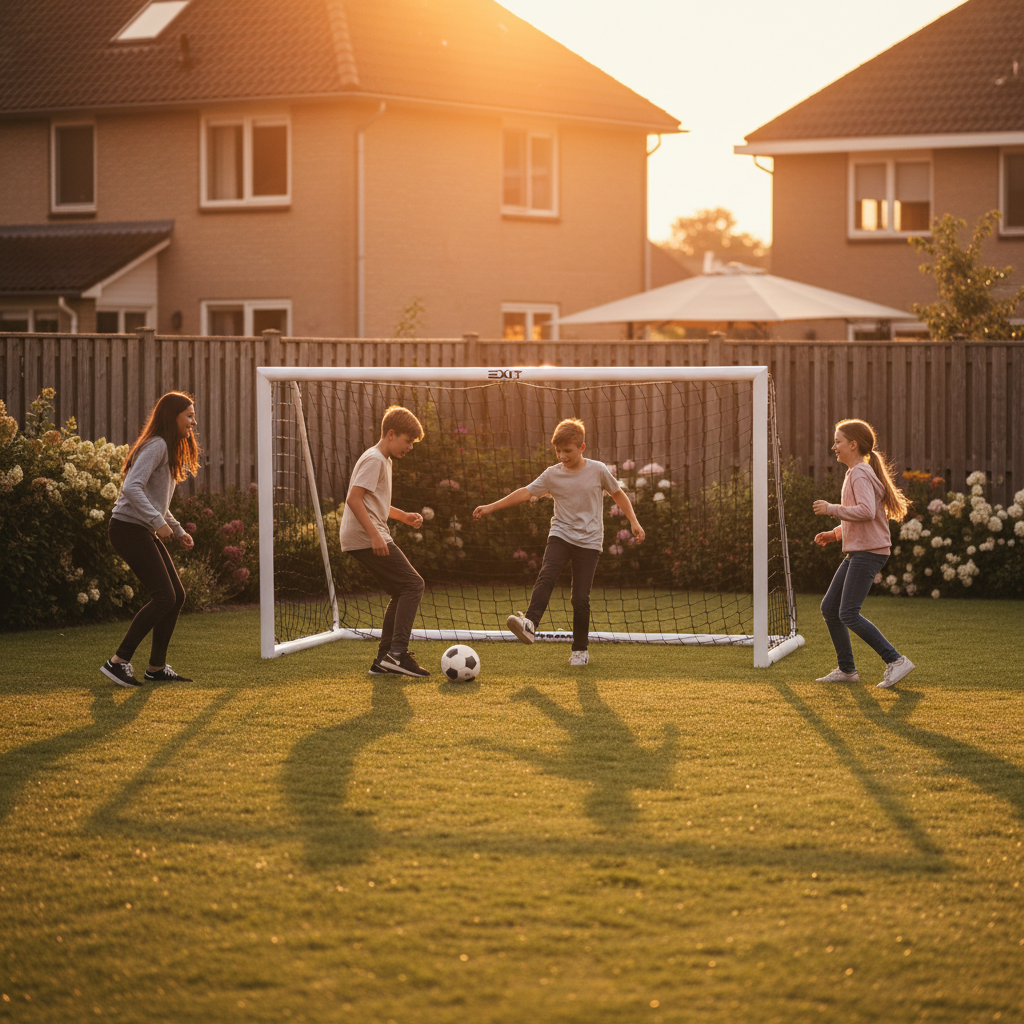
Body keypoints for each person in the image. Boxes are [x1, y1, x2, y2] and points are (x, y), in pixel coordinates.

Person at [473, 417, 644, 666]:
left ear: (582, 447)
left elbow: (618, 494)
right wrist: (491, 507)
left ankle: (580, 649)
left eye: (568, 451)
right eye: (558, 450)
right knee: (547, 575)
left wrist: (634, 522)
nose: (562, 456)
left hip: (589, 540)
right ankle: (530, 623)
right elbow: (525, 492)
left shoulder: (598, 470)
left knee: (580, 598)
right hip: (561, 535)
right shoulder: (552, 474)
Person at [101, 392, 199, 687]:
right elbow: (132, 487)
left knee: (176, 596)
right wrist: (158, 524)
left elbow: (157, 501)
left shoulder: (167, 447)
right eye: (189, 416)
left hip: (140, 528)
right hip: (127, 528)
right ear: (173, 417)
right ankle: (118, 662)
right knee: (164, 596)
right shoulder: (157, 445)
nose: (193, 422)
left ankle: (156, 667)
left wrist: (177, 529)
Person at [812, 417, 915, 689]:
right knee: (830, 608)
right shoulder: (856, 472)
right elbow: (862, 516)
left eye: (838, 442)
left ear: (853, 444)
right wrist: (835, 534)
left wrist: (831, 508)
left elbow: (867, 512)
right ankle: (847, 671)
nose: (834, 446)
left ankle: (895, 661)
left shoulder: (859, 473)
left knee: (847, 612)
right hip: (860, 551)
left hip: (868, 553)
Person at [339, 405, 429, 678]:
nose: (410, 447)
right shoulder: (375, 459)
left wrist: (403, 516)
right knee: (414, 584)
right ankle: (397, 654)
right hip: (366, 537)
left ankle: (384, 660)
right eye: (407, 441)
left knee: (401, 590)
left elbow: (374, 502)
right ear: (391, 434)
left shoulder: (383, 460)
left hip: (367, 535)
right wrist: (376, 535)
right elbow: (353, 499)